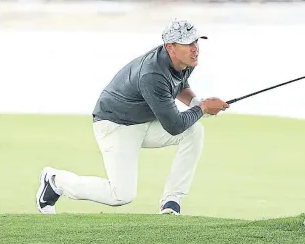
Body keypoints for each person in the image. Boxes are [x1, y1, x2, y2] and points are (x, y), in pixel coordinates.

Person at [36, 19, 230, 215]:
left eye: (196, 42)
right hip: (115, 124)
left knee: (194, 131)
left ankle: (172, 199)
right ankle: (54, 181)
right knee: (120, 195)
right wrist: (203, 108)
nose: (195, 48)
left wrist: (197, 103)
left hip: (142, 121)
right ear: (170, 47)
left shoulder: (186, 61)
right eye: (188, 44)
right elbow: (174, 125)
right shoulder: (152, 75)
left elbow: (179, 84)